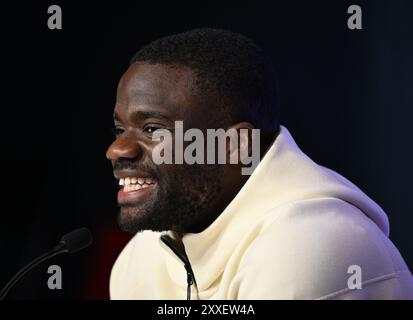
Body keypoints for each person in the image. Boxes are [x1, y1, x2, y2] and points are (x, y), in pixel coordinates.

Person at [106, 28, 413, 299]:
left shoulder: (308, 246)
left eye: (153, 130)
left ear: (236, 146)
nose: (117, 149)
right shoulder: (140, 258)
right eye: (120, 130)